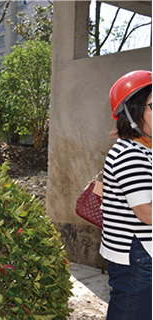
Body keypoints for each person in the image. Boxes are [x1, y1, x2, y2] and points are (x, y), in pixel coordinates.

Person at [100, 70, 152, 320]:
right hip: (137, 255)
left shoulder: (145, 149)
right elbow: (146, 212)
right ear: (132, 112)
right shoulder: (129, 153)